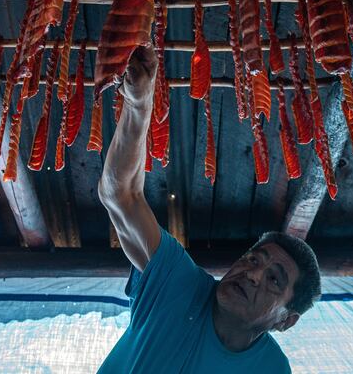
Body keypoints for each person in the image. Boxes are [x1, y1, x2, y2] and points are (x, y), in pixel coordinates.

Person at [97, 45, 322, 373]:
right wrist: (138, 101)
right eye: (252, 259)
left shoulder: (272, 369)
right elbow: (120, 195)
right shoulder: (178, 283)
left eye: (274, 279)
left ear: (286, 321)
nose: (254, 274)